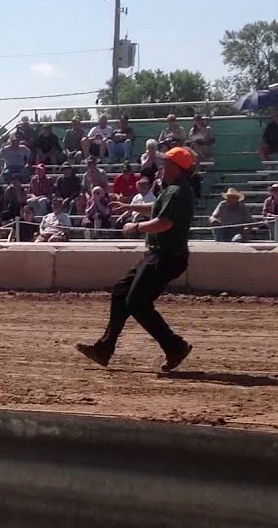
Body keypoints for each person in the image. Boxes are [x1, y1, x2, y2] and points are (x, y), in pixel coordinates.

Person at [76, 147, 197, 373]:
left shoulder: (178, 192)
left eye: (166, 164)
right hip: (159, 255)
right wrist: (130, 206)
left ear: (176, 168)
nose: (161, 167)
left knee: (137, 303)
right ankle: (105, 348)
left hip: (166, 256)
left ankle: (175, 347)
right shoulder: (173, 190)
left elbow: (165, 222)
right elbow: (157, 208)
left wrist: (136, 227)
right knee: (122, 292)